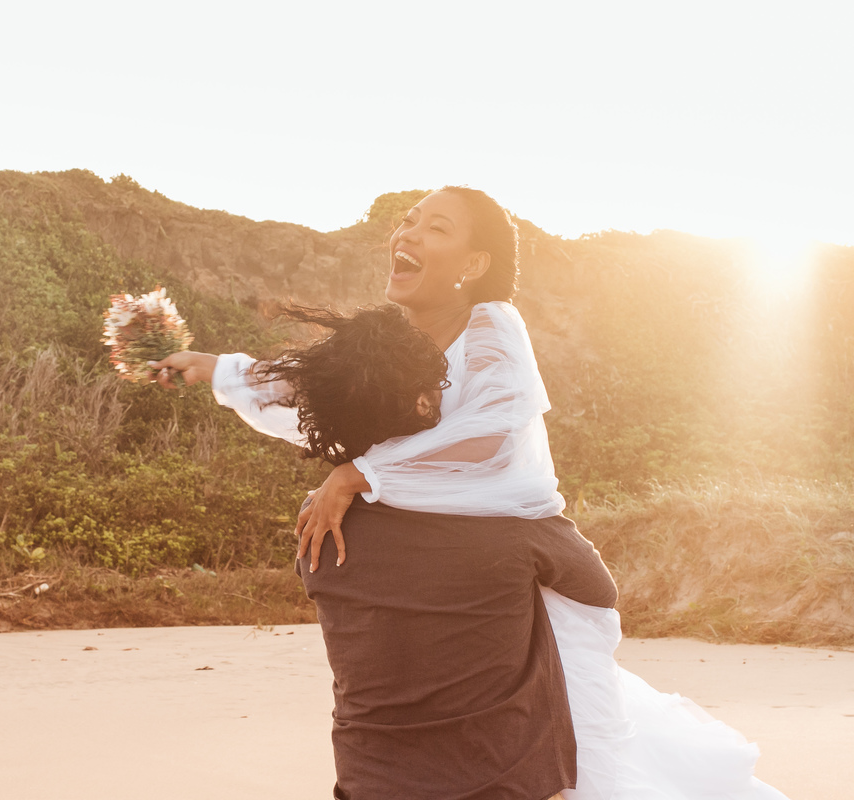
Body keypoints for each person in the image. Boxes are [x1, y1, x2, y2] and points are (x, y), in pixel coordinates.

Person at [151, 187, 789, 800]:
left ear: (474, 263)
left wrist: (359, 475)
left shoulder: (491, 326)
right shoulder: (394, 343)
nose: (409, 233)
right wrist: (213, 367)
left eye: (437, 228)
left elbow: (490, 433)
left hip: (523, 568)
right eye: (409, 220)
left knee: (578, 757)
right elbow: (314, 388)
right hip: (416, 584)